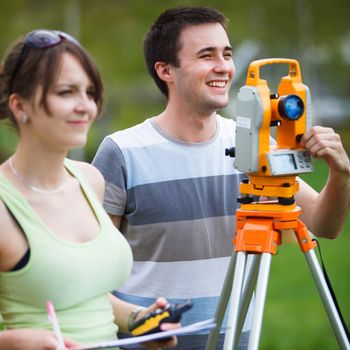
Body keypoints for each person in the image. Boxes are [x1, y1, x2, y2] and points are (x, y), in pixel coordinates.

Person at [92, 6, 350, 350]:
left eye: (226, 54)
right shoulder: (121, 152)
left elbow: (324, 223)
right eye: (206, 55)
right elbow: (90, 274)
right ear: (165, 69)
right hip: (147, 344)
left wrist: (341, 173)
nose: (224, 66)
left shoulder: (251, 146)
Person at [0, 29, 178, 350]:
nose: (86, 106)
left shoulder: (90, 180)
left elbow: (83, 292)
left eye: (90, 92)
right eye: (67, 92)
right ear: (19, 105)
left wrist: (137, 320)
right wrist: (13, 342)